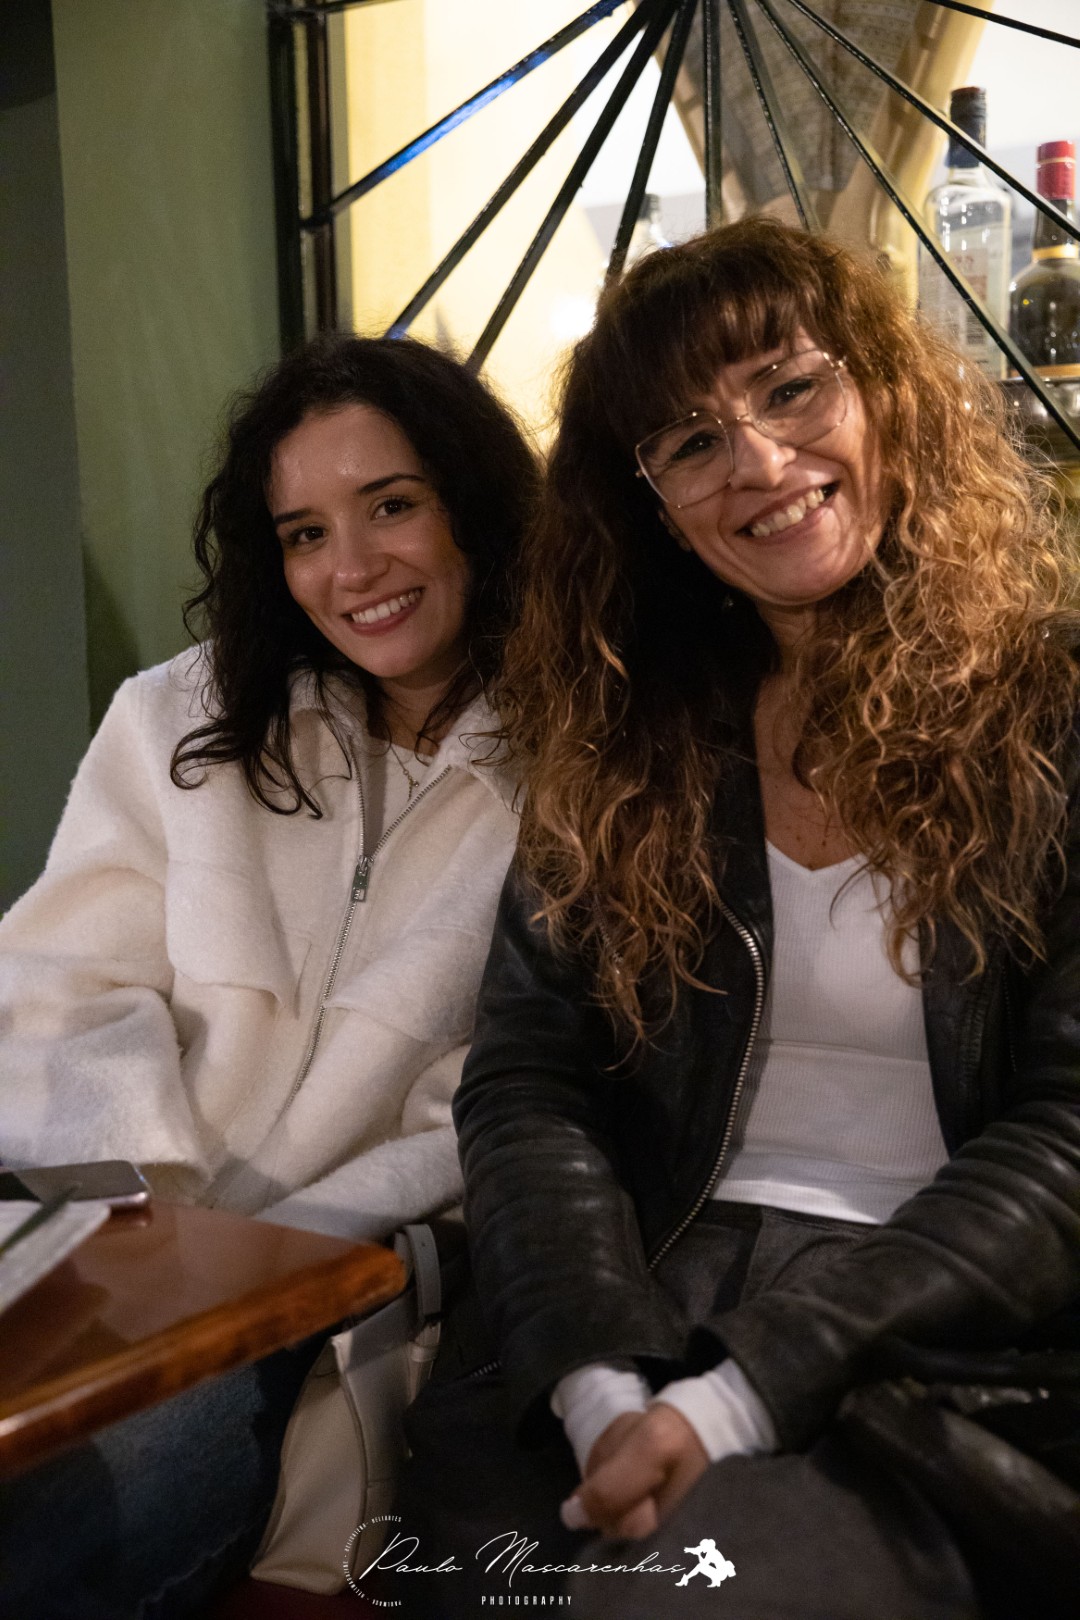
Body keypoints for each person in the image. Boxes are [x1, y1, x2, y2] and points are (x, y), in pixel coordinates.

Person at [391, 220, 1080, 1620]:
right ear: (649, 503)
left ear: (886, 395)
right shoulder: (626, 730)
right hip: (637, 1296)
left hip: (938, 1346)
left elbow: (1068, 1136)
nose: (760, 463)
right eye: (692, 441)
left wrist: (739, 1396)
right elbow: (528, 1082)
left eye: (792, 388)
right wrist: (596, 1381)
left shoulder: (1054, 711)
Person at [0, 332, 538, 1618]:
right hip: (107, 1244)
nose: (351, 569)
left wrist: (284, 1253)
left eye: (391, 506)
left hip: (319, 1303)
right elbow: (59, 978)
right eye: (305, 532)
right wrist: (141, 1204)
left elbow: (509, 1098)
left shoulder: (588, 772)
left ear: (474, 504)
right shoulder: (178, 717)